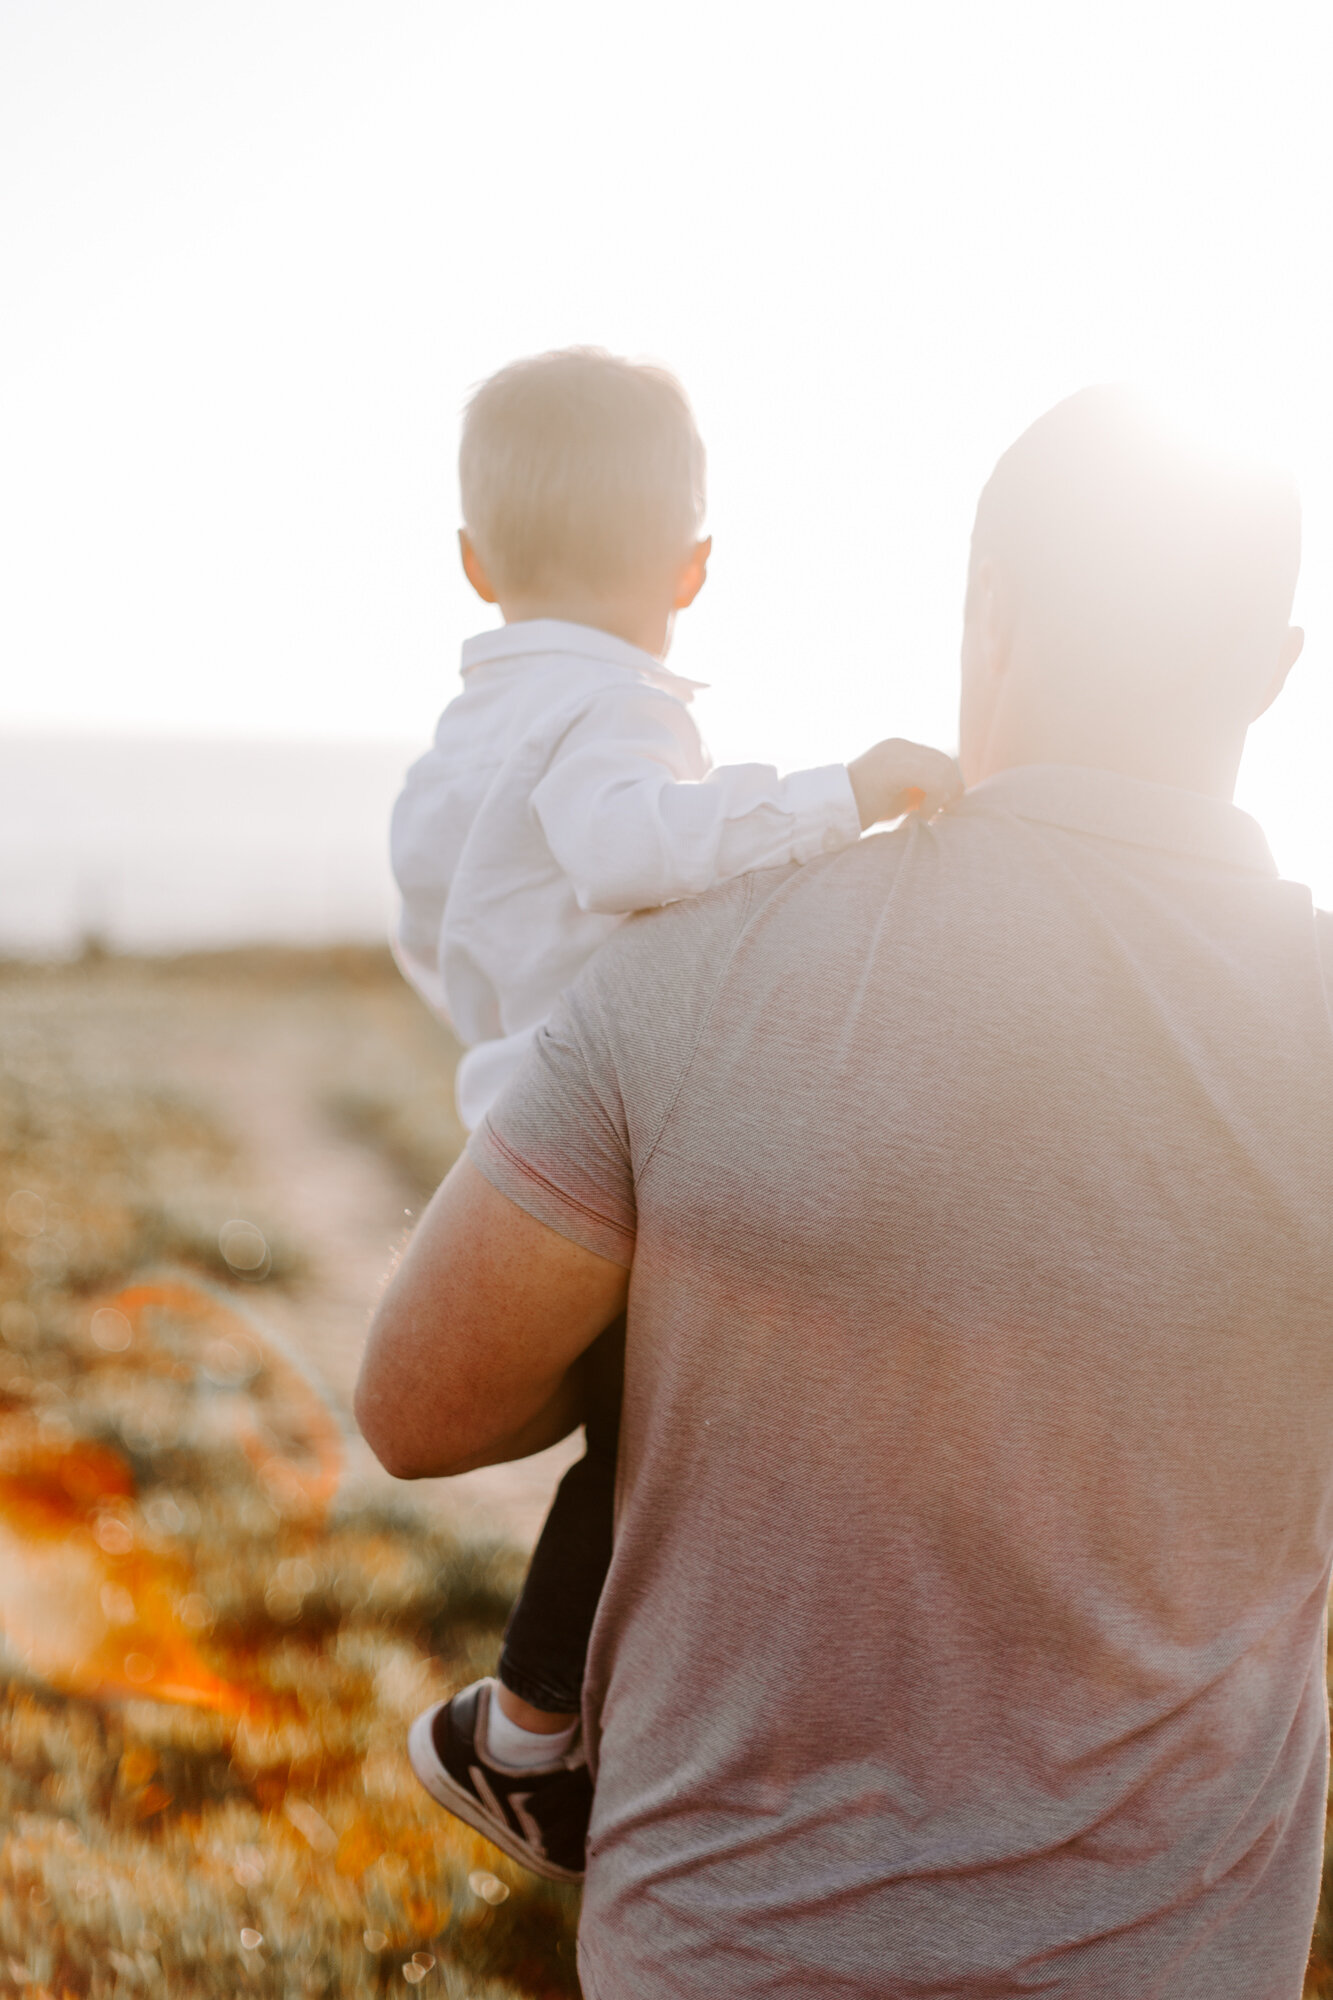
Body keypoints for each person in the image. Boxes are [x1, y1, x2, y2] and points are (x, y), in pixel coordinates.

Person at [357, 385, 1333, 1999]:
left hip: (722, 1955)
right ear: (1274, 670)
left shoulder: (690, 967)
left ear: (988, 611)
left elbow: (418, 1405)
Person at [388, 346, 959, 1878]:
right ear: (693, 569)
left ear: (471, 560)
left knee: (646, 1450)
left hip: (517, 1134)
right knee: (661, 1444)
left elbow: (435, 926)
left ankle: (571, 1722)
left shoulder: (465, 741)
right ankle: (519, 1736)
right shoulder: (613, 714)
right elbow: (638, 852)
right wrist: (845, 796)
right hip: (620, 1142)